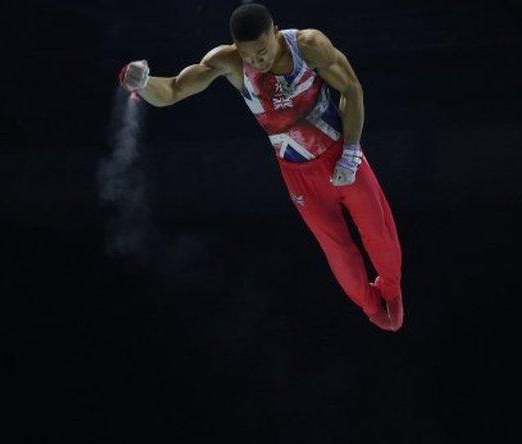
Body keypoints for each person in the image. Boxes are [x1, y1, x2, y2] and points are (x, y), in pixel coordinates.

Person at [118, 3, 403, 331]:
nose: (258, 61)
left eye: (263, 52)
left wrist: (351, 150)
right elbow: (174, 90)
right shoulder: (229, 62)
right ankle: (369, 305)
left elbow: (351, 88)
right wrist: (143, 83)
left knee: (376, 229)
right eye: (249, 56)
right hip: (298, 174)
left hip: (341, 154)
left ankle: (391, 290)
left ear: (276, 32)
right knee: (336, 247)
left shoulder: (308, 45)